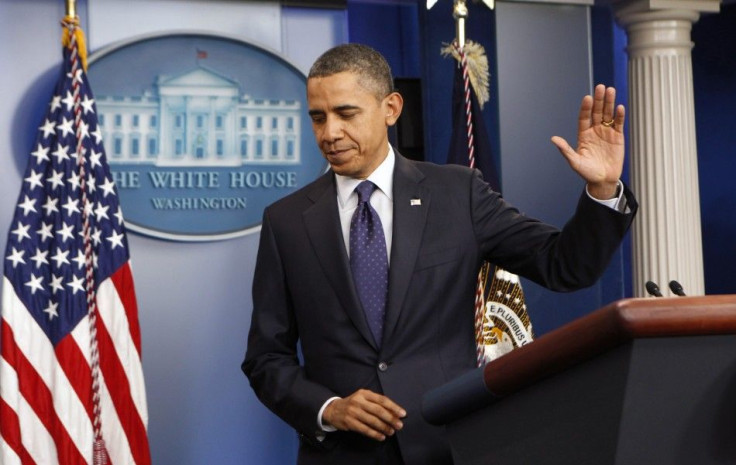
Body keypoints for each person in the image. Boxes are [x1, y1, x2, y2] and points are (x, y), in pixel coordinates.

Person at [242, 43, 637, 465]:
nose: (329, 133)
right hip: (344, 454)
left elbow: (566, 267)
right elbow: (266, 357)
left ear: (391, 108)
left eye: (346, 113)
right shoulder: (286, 221)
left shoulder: (457, 193)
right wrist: (329, 409)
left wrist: (602, 191)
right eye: (318, 118)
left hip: (447, 447)